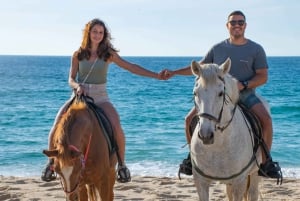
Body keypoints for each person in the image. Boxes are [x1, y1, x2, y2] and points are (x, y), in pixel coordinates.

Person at [160, 10, 282, 180]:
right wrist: (174, 72)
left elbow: (263, 76)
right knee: (188, 120)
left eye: (240, 22)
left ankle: (266, 162)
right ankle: (191, 159)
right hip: (218, 95)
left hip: (244, 93)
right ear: (227, 26)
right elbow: (199, 68)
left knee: (266, 120)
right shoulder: (217, 49)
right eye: (233, 22)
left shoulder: (256, 49)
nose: (237, 25)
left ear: (245, 26)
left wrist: (244, 84)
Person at [41, 18, 164, 183]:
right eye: (95, 32)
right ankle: (50, 164)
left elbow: (131, 67)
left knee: (115, 125)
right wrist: (77, 86)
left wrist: (156, 76)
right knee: (57, 124)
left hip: (100, 97)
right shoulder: (78, 54)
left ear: (104, 35)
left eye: (101, 32)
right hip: (79, 96)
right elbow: (70, 78)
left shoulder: (109, 54)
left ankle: (121, 165)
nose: (97, 35)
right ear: (88, 33)